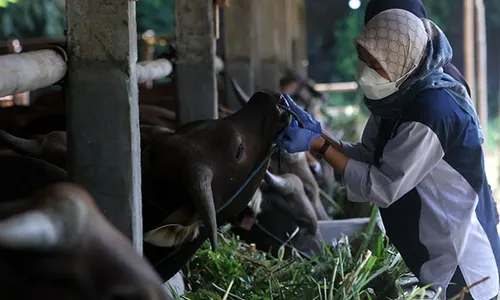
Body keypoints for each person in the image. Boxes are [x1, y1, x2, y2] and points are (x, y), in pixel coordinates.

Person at [277, 8, 500, 300]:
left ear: (402, 61)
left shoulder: (432, 113)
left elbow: (382, 186)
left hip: (461, 263)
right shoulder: (397, 97)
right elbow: (369, 156)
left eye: (376, 64)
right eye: (363, 60)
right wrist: (321, 138)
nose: (364, 71)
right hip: (434, 251)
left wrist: (321, 146)